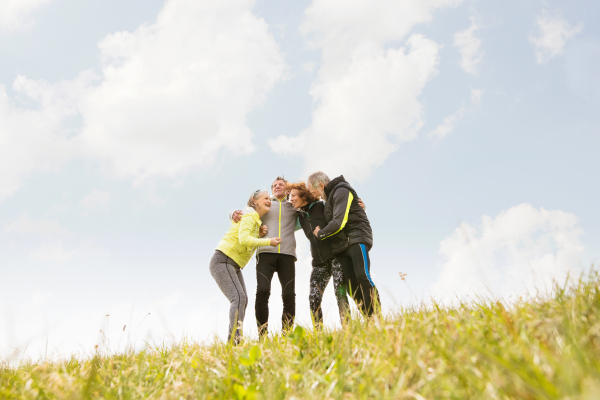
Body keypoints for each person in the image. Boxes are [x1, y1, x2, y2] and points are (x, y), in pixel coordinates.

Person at [231, 177, 299, 337]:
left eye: (281, 185)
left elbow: (311, 211)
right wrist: (231, 213)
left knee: (289, 294)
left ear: (287, 189)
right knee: (262, 291)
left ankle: (287, 335)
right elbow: (246, 213)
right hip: (265, 252)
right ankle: (262, 335)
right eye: (274, 185)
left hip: (287, 255)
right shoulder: (266, 204)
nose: (277, 187)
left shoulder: (293, 207)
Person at [210, 190, 281, 344]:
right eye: (265, 198)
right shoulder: (249, 214)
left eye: (270, 198)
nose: (269, 200)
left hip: (233, 264)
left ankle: (234, 340)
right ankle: (234, 342)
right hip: (224, 260)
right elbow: (243, 240)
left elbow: (245, 235)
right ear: (255, 201)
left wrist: (259, 234)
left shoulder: (255, 219)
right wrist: (269, 242)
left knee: (242, 298)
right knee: (238, 298)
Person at [307, 172, 380, 317]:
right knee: (351, 286)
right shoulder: (329, 199)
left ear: (321, 185)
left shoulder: (341, 190)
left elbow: (339, 222)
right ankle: (368, 317)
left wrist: (320, 233)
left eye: (314, 192)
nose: (315, 196)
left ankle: (376, 317)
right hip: (344, 244)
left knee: (362, 276)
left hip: (357, 237)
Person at [287, 181, 350, 326]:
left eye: (294, 195)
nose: (291, 199)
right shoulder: (300, 216)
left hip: (336, 256)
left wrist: (362, 208)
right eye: (290, 196)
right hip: (319, 262)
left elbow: (342, 214)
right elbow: (281, 223)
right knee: (313, 298)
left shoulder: (322, 206)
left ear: (304, 195)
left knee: (340, 293)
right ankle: (318, 332)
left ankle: (348, 327)